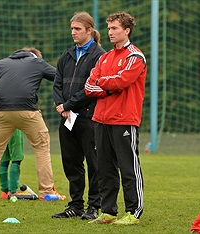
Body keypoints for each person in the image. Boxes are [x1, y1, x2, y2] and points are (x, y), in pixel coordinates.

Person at [0, 47, 63, 201]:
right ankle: (46, 192)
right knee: (42, 148)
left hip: (2, 112)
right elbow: (59, 76)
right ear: (35, 56)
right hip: (28, 111)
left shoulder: (1, 63)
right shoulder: (37, 61)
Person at [84, 12, 147, 225]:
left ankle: (133, 212)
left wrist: (103, 83)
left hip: (124, 120)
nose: (110, 32)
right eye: (109, 28)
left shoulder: (135, 56)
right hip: (101, 119)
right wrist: (106, 85)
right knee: (105, 168)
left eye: (115, 29)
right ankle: (108, 212)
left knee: (128, 167)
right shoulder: (104, 57)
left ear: (126, 30)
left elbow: (122, 81)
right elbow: (89, 86)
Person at [52, 12, 105, 219]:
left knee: (94, 163)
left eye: (77, 29)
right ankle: (75, 206)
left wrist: (69, 104)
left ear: (89, 31)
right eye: (72, 28)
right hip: (66, 118)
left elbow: (92, 87)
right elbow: (57, 83)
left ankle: (94, 207)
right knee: (71, 162)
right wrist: (61, 106)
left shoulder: (99, 56)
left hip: (89, 118)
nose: (73, 32)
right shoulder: (66, 56)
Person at [0, 101, 25, 199]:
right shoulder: (13, 93)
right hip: (14, 128)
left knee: (4, 160)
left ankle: (4, 191)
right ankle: (13, 191)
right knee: (16, 160)